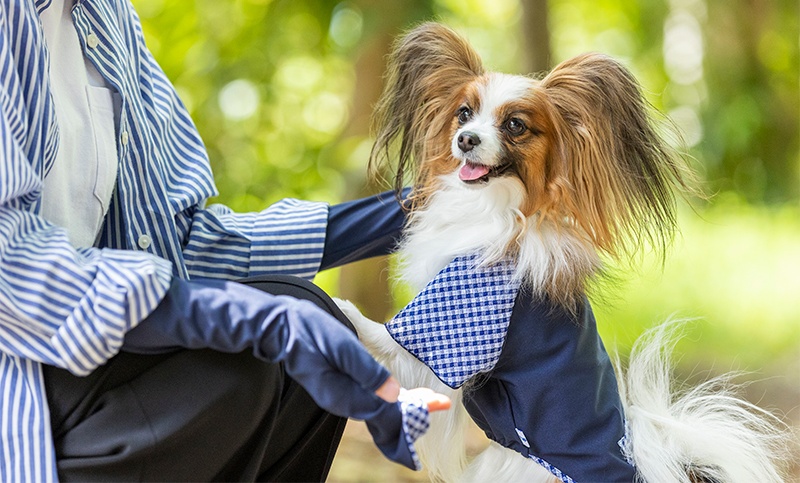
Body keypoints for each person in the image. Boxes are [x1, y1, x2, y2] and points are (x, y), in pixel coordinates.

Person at [0, 0, 448, 480]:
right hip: (30, 380)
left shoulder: (107, 19)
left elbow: (175, 240)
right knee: (239, 369)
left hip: (104, 361)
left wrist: (423, 209)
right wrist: (243, 317)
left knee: (314, 321)